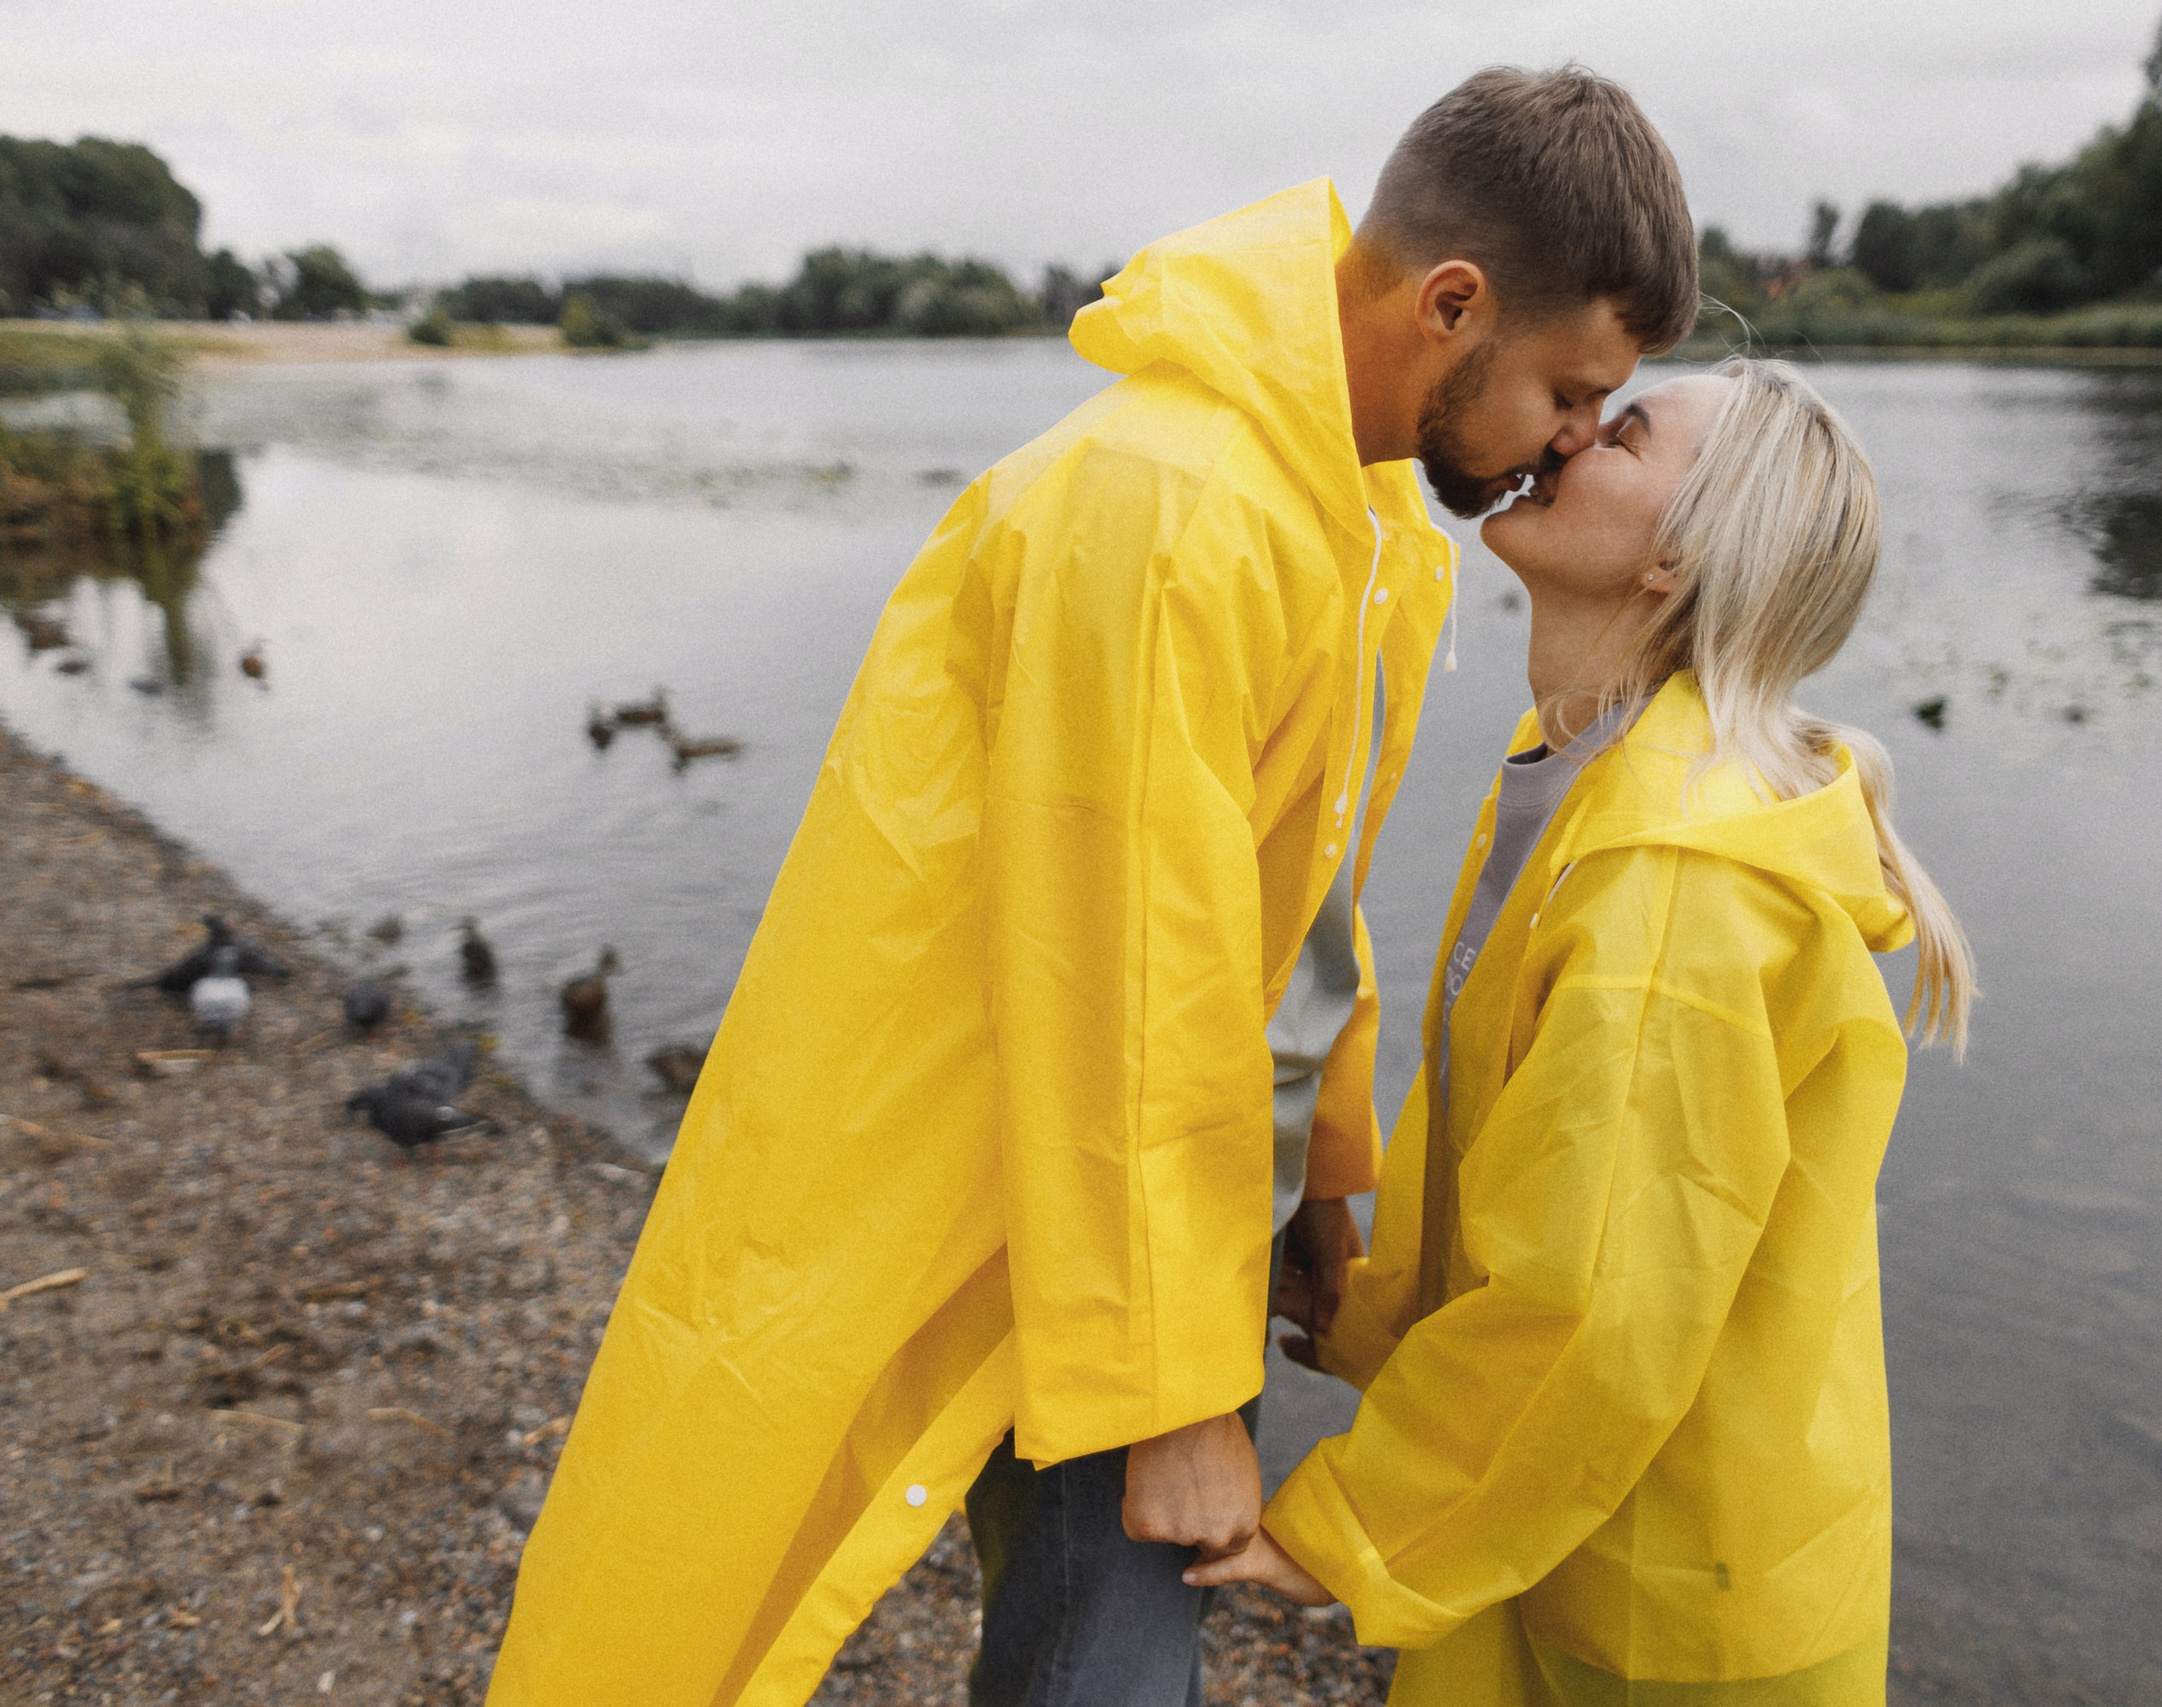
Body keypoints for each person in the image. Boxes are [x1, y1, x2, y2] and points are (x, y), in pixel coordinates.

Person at [486, 67, 1698, 1707]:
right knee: (829, 1614)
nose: (1571, 438)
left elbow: (1294, 907)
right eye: (1571, 388)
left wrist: (1320, 1180)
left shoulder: (1345, 518)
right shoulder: (1174, 512)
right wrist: (1188, 1402)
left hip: (1148, 1213)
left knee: (1096, 1659)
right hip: (1022, 1189)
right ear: (1454, 303)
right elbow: (1126, 987)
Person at [1189, 359, 1976, 1707]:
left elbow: (1602, 1312)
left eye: (1619, 431)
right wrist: (1373, 1313)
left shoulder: (1675, 878)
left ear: (1677, 558)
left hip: (1664, 1605)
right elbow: (1544, 1183)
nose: (1560, 435)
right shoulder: (1574, 781)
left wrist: (1348, 1532)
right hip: (1574, 1536)